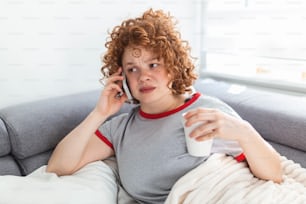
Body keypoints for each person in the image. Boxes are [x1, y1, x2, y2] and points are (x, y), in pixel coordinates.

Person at [46, 8, 283, 203]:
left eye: (153, 64)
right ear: (122, 78)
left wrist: (244, 133)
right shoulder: (119, 128)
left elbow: (274, 173)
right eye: (132, 69)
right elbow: (58, 167)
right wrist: (99, 113)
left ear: (172, 67)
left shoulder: (208, 111)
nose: (143, 76)